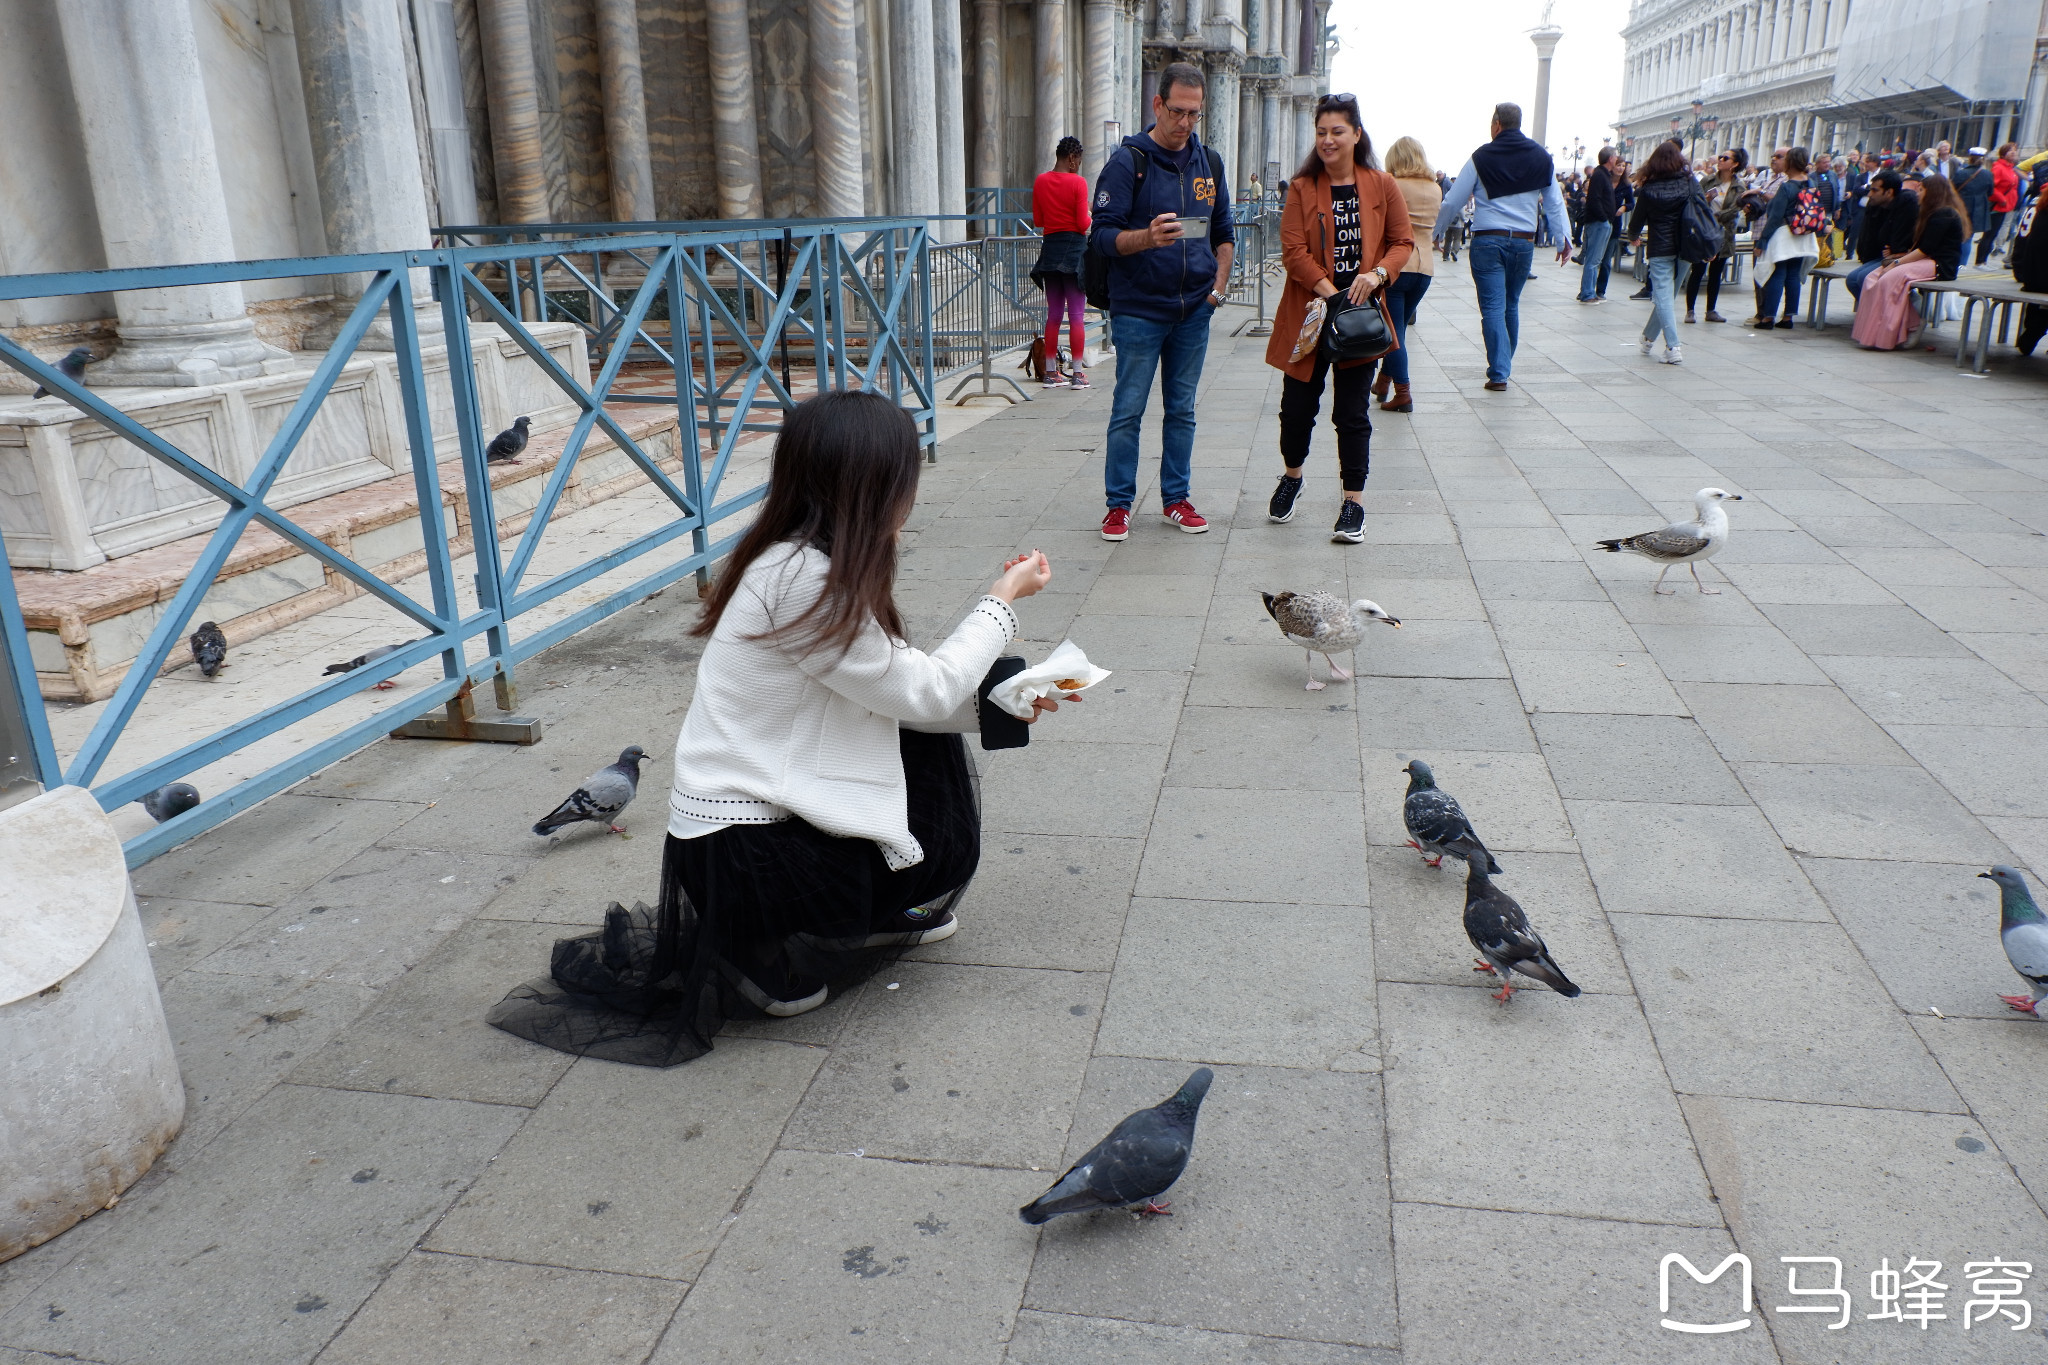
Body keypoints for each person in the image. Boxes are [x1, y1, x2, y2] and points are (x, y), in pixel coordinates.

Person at [485, 392, 1066, 1053]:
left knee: (928, 730)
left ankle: (865, 913)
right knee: (926, 736)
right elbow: (927, 693)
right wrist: (1002, 599)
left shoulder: (802, 558)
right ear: (875, 488)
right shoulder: (806, 578)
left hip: (759, 827)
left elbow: (896, 690)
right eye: (907, 477)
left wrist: (1008, 701)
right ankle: (761, 942)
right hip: (743, 853)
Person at [1090, 61, 1235, 540]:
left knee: (1183, 410)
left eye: (1195, 114)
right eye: (1177, 111)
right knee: (1128, 409)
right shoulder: (1127, 162)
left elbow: (1223, 234)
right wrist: (1146, 239)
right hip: (1138, 310)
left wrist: (1217, 288)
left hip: (1194, 309)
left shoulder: (1209, 163)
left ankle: (1176, 498)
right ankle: (1118, 506)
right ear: (1157, 105)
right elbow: (1103, 239)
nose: (1185, 122)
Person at [1263, 95, 1414, 542]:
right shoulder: (1303, 186)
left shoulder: (1381, 184)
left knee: (1352, 413)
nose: (1328, 140)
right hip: (1311, 315)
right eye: (1321, 132)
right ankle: (1293, 475)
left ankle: (1353, 504)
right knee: (1297, 409)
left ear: (1356, 134)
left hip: (1360, 322)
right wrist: (1333, 293)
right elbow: (1293, 251)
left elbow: (1401, 242)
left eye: (1337, 131)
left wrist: (1379, 273)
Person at [1432, 101, 1570, 392]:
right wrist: (1563, 240)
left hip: (1488, 240)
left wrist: (1436, 231)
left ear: (1496, 124)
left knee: (1493, 307)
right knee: (1511, 304)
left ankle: (1499, 371)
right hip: (1523, 242)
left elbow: (1453, 201)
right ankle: (1503, 365)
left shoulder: (1480, 157)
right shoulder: (1540, 157)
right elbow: (1555, 202)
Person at [1852, 174, 1966, 350]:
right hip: (1924, 260)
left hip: (1939, 265)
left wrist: (1897, 262)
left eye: (1921, 190)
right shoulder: (1929, 213)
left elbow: (1925, 250)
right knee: (1871, 278)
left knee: (1889, 278)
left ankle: (1908, 326)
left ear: (1932, 192)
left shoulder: (1945, 214)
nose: (1917, 193)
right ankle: (1874, 332)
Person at [1375, 136, 1439, 415]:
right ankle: (1383, 382)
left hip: (1398, 266)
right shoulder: (1435, 188)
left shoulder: (1394, 185)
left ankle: (1403, 392)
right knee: (1398, 327)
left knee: (1394, 332)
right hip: (1425, 269)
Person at [1031, 136, 1091, 389]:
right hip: (1074, 250)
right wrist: (1090, 215)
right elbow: (1081, 223)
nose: (1078, 164)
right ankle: (1077, 374)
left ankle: (1051, 373)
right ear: (1072, 159)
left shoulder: (1041, 181)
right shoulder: (1078, 183)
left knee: (1054, 314)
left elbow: (1038, 220)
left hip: (1051, 250)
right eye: (1078, 159)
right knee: (1077, 315)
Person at [1626, 140, 1694, 364]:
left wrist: (1633, 236)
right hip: (1686, 245)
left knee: (1664, 296)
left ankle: (1674, 347)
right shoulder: (1689, 183)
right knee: (1668, 296)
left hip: (1660, 247)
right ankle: (1648, 338)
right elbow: (1703, 211)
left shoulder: (1648, 189)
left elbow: (1637, 220)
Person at [1752, 145, 1818, 329]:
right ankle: (1788, 317)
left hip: (1784, 235)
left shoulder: (1787, 187)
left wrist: (1763, 241)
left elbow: (1774, 216)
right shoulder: (1811, 183)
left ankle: (1768, 317)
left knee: (1777, 274)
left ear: (1790, 162)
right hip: (1803, 235)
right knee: (1793, 276)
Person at [1685, 147, 1746, 323]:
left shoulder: (1738, 186)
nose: (1720, 160)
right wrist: (1706, 202)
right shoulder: (1708, 180)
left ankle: (1711, 310)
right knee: (1697, 270)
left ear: (1735, 164)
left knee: (1716, 272)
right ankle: (1690, 310)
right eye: (1720, 157)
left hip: (1724, 233)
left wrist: (1718, 215)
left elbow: (1736, 209)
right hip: (1705, 232)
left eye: (1725, 158)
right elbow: (1695, 200)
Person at [1847, 169, 1916, 301]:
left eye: (1875, 190)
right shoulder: (1876, 205)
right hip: (1882, 256)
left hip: (1902, 257)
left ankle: (1896, 311)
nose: (1870, 194)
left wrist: (1895, 249)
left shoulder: (1907, 203)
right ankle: (1873, 313)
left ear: (1889, 192)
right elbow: (1869, 235)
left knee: (1864, 277)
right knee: (1852, 279)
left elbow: (1903, 237)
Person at [1577, 148, 1620, 302]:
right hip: (1598, 223)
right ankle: (1587, 293)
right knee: (1593, 259)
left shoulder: (1603, 175)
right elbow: (1594, 199)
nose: (1616, 159)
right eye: (1615, 156)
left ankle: (1588, 292)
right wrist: (1603, 219)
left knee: (1595, 259)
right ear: (1609, 159)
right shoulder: (1600, 175)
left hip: (1601, 222)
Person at [2011, 185, 2047, 354]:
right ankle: (2031, 335)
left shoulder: (2041, 211)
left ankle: (2030, 336)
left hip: (2031, 277)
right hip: (2042, 279)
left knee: (2038, 313)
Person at [1952, 148, 1994, 269]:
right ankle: (1963, 264)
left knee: (1958, 235)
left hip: (1962, 207)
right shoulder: (1988, 174)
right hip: (1978, 209)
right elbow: (1990, 192)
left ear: (1970, 158)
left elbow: (1953, 189)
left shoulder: (1961, 173)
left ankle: (1957, 261)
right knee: (1968, 237)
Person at [1983, 143, 2022, 265]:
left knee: (1994, 232)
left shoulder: (2010, 168)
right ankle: (1981, 261)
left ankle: (1983, 261)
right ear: (2003, 154)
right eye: (2010, 151)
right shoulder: (1999, 167)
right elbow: (1991, 187)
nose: (2013, 153)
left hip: (2007, 206)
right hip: (1998, 206)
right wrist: (2001, 199)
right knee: (1990, 234)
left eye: (2014, 151)